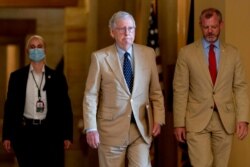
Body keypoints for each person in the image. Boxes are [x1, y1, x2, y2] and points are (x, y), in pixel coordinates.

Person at [83, 11, 165, 167]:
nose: (127, 33)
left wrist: (159, 119)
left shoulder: (148, 54)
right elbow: (91, 95)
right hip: (110, 130)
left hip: (140, 128)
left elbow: (155, 91)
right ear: (112, 32)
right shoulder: (99, 58)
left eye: (131, 28)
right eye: (121, 29)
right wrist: (91, 127)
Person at [173, 8, 249, 167]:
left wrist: (243, 118)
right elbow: (180, 90)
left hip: (224, 120)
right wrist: (179, 122)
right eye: (206, 27)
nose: (210, 31)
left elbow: (240, 87)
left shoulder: (233, 53)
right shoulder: (186, 53)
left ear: (221, 25)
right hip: (196, 119)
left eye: (214, 27)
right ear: (201, 26)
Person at [2, 35, 73, 167]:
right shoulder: (17, 77)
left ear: (45, 50)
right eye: (32, 47)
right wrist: (7, 135)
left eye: (39, 47)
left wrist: (67, 134)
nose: (36, 50)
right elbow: (10, 107)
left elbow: (65, 107)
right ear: (27, 51)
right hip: (25, 133)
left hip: (50, 133)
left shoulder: (57, 77)